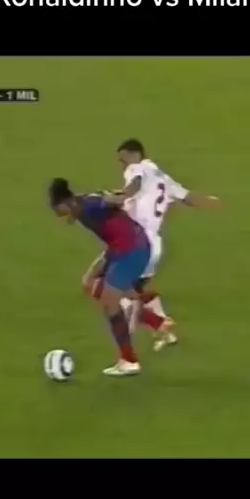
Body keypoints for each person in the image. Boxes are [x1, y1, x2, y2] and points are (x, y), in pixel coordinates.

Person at [82, 139, 221, 350]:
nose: (123, 165)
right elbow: (189, 198)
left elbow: (135, 183)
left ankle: (151, 329)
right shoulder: (163, 178)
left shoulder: (137, 168)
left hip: (133, 242)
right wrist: (213, 202)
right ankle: (162, 328)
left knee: (105, 288)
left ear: (134, 154)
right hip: (153, 245)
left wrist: (121, 196)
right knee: (126, 289)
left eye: (123, 160)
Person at [48, 178, 174, 376]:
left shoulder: (90, 205)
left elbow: (107, 201)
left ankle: (129, 361)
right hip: (119, 248)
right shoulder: (82, 204)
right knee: (90, 284)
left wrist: (117, 198)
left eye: (60, 213)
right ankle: (158, 323)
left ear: (67, 203)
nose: (62, 219)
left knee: (110, 302)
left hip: (132, 250)